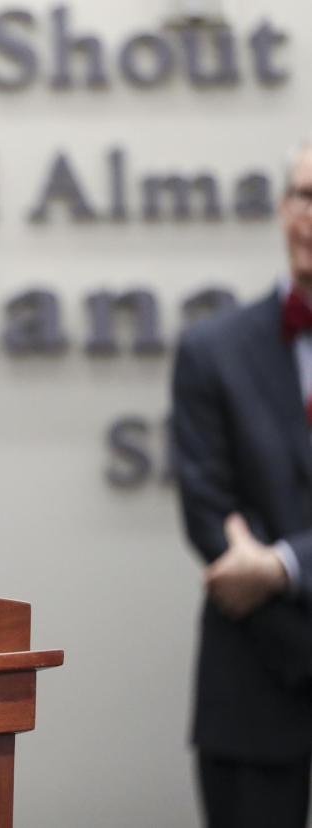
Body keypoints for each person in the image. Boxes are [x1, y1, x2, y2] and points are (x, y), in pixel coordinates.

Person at [172, 138, 312, 827]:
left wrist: (284, 565)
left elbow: (262, 559)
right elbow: (207, 511)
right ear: (285, 209)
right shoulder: (211, 350)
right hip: (253, 683)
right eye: (307, 197)